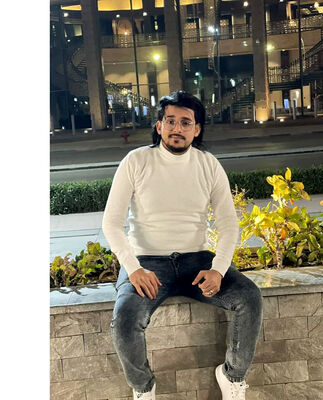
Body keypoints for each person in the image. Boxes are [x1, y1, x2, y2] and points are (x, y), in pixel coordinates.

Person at [102, 91, 262, 400]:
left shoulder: (208, 164)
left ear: (197, 129)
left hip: (196, 262)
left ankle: (232, 377)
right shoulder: (136, 161)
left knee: (249, 297)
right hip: (147, 263)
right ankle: (143, 388)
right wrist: (133, 269)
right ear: (159, 126)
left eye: (186, 122)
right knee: (125, 318)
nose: (177, 129)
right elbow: (111, 223)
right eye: (170, 121)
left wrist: (218, 269)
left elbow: (228, 224)